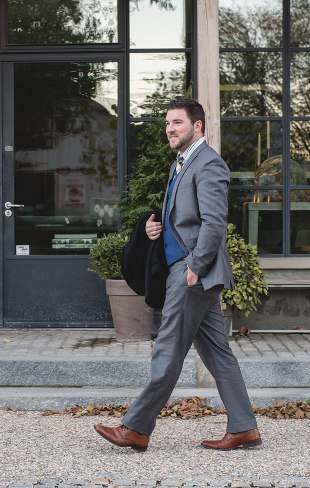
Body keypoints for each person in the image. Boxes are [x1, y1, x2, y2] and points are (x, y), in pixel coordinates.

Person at [94, 98, 261, 452]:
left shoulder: (209, 164)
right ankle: (244, 428)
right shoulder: (180, 163)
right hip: (185, 269)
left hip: (191, 272)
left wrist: (195, 267)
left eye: (177, 123)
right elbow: (184, 218)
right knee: (218, 354)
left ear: (197, 125)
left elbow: (214, 222)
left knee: (167, 350)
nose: (169, 129)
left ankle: (136, 428)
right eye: (168, 123)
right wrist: (154, 229)